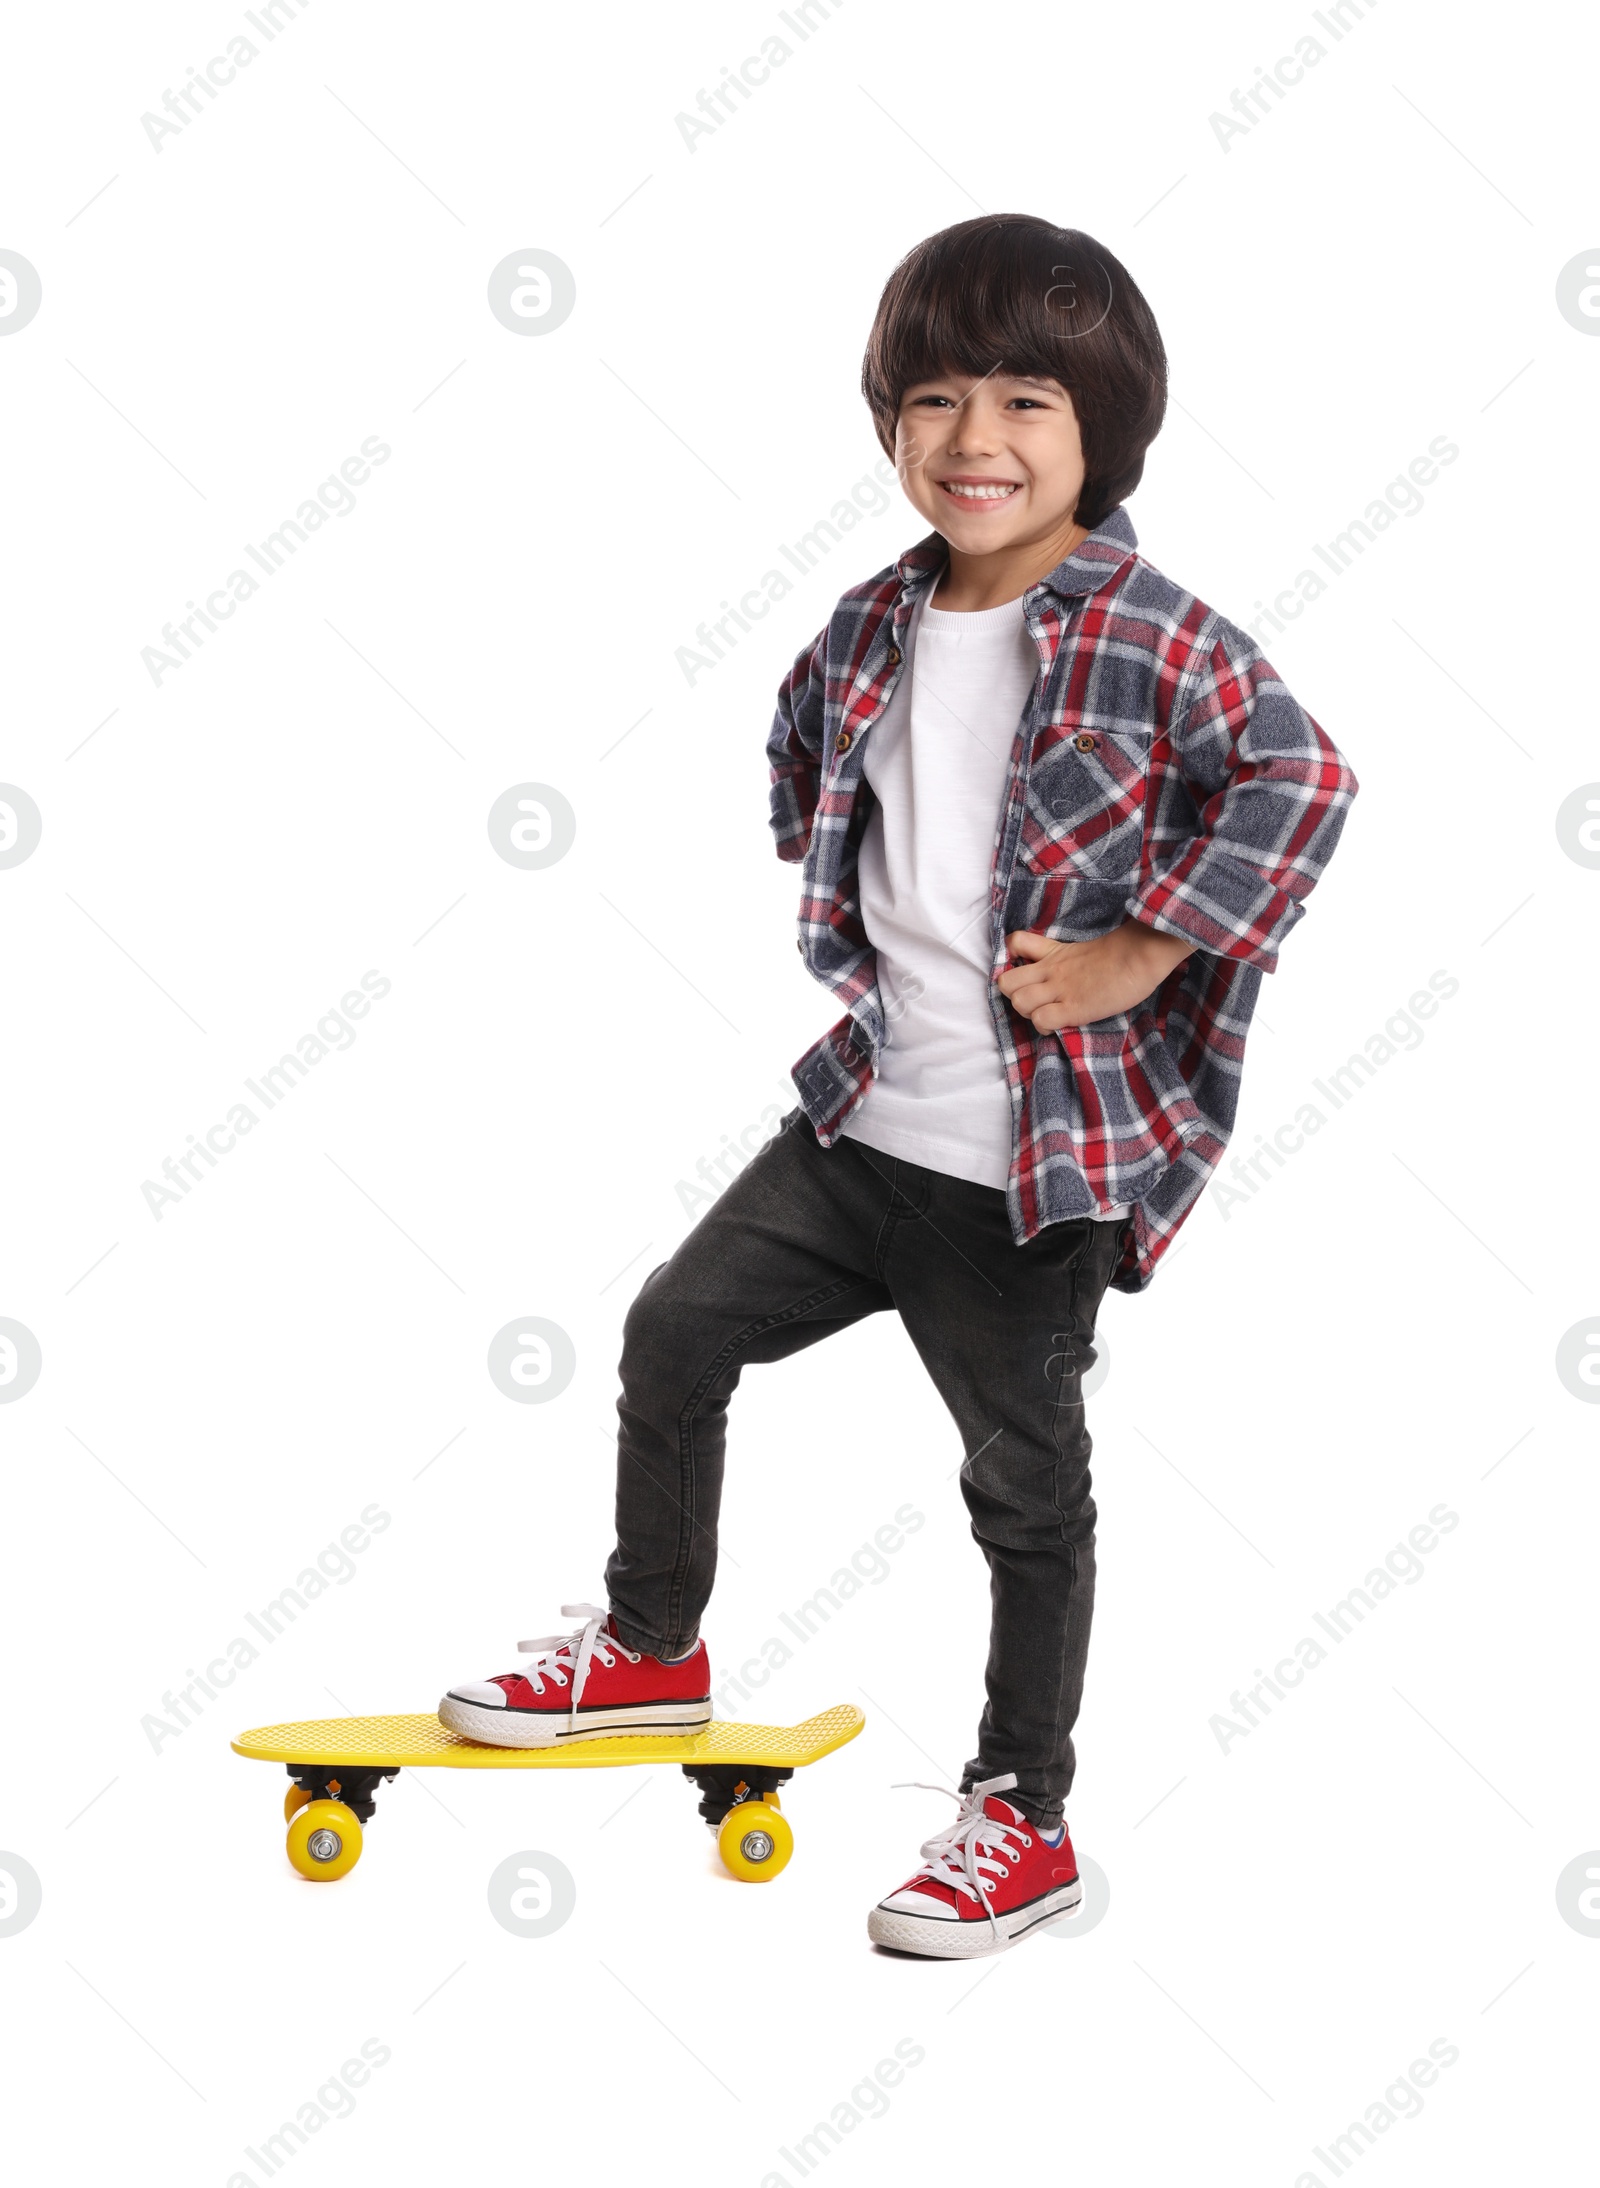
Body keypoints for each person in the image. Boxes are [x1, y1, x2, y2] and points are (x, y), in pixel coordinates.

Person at [439, 214, 1358, 1957]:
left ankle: (1024, 1819)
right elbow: (803, 742)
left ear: (1100, 429)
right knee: (673, 1329)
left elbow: (1303, 785)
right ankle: (648, 1649)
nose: (974, 441)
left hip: (1024, 1170)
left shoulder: (1160, 638)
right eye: (933, 400)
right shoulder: (878, 611)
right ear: (889, 428)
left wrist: (1138, 957)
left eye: (1025, 399)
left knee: (1023, 1490)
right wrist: (844, 877)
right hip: (863, 1123)